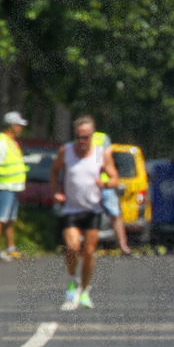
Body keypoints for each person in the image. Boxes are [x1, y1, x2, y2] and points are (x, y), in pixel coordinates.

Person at [50, 115, 119, 311]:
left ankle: (86, 290)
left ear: (92, 136)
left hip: (92, 210)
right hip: (71, 209)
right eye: (79, 137)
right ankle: (73, 283)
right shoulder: (66, 151)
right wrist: (56, 192)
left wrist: (104, 183)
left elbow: (115, 178)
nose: (82, 142)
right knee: (72, 248)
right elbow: (54, 172)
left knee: (88, 251)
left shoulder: (100, 154)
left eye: (86, 137)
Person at [0, 111, 29, 262]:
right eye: (18, 125)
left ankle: (10, 248)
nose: (20, 128)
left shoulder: (12, 142)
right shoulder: (0, 142)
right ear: (12, 126)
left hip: (14, 186)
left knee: (10, 219)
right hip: (4, 186)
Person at [93, 130, 131, 255]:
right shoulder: (79, 139)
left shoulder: (102, 138)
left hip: (105, 184)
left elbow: (107, 159)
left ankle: (123, 245)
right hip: (90, 184)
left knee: (115, 214)